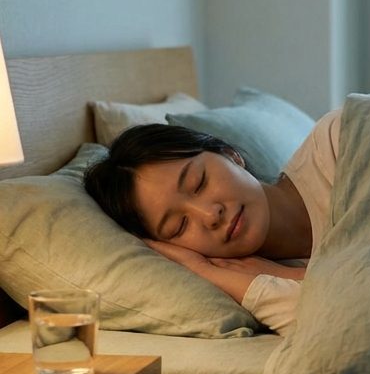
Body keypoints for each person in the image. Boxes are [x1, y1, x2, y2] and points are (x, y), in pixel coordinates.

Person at [84, 109, 341, 335]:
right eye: (179, 226)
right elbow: (351, 323)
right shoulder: (258, 280)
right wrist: (206, 271)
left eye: (199, 183)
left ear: (230, 155)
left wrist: (285, 275)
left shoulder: (338, 141)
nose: (210, 215)